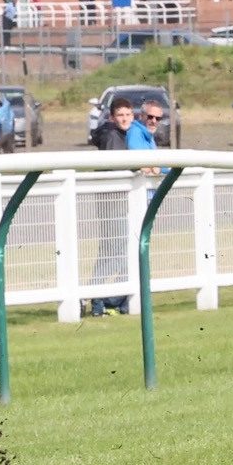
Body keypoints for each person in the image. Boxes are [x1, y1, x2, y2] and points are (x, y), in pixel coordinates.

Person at [87, 98, 138, 315]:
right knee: (115, 253)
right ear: (112, 117)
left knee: (122, 253)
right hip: (112, 203)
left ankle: (115, 299)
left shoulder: (124, 135)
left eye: (127, 114)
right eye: (120, 115)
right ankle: (95, 295)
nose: (124, 118)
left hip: (119, 202)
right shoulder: (111, 136)